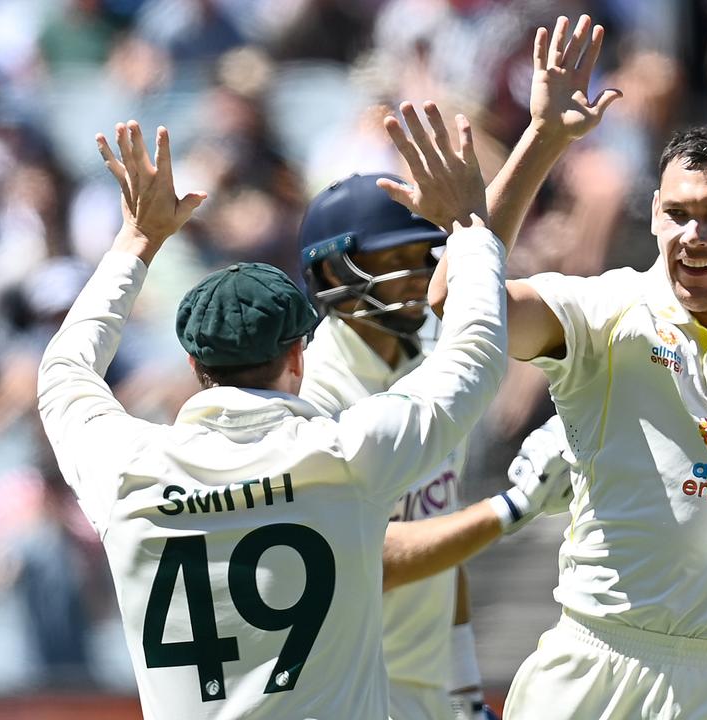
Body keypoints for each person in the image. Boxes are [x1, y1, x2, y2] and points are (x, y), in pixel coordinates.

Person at [397, 17, 707, 718]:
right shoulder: (604, 311)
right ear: (653, 214)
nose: (692, 237)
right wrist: (545, 139)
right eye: (678, 214)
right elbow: (453, 300)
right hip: (601, 661)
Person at [36, 110, 506, 719]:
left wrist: (135, 241)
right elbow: (477, 352)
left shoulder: (124, 468)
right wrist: (468, 225)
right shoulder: (347, 455)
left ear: (193, 364)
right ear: (297, 356)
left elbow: (63, 371)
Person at [295, 170, 574, 720]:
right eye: (402, 254)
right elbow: (363, 559)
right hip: (352, 693)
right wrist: (513, 506)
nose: (423, 272)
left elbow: (441, 539)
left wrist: (464, 689)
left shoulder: (422, 361)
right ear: (334, 268)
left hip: (423, 693)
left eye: (430, 253)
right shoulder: (312, 394)